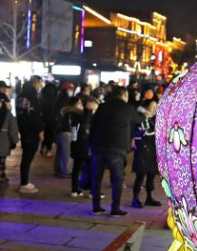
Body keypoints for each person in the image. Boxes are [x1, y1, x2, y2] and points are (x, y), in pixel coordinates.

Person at [90, 86, 141, 216]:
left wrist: (90, 144)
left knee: (96, 177)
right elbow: (138, 120)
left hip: (98, 146)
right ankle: (115, 208)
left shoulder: (102, 106)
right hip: (117, 147)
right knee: (117, 178)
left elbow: (93, 124)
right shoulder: (127, 108)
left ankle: (96, 206)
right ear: (123, 95)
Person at [16, 76, 44, 194]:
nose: (40, 85)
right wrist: (40, 131)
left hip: (23, 130)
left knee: (26, 157)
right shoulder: (32, 96)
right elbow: (35, 116)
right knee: (28, 157)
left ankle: (24, 181)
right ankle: (24, 183)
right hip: (31, 132)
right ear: (35, 83)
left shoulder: (21, 96)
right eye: (39, 83)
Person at [131, 100, 161, 208]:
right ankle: (135, 198)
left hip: (153, 149)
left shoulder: (156, 117)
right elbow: (143, 132)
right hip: (143, 149)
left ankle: (149, 197)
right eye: (152, 106)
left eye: (156, 106)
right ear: (147, 106)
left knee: (151, 175)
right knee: (140, 175)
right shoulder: (141, 117)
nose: (155, 108)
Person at [55, 97, 81, 180]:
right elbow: (73, 126)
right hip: (67, 134)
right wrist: (74, 138)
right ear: (75, 103)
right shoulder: (74, 112)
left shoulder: (63, 111)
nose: (80, 104)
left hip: (59, 133)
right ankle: (66, 172)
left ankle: (58, 170)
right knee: (67, 154)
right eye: (79, 103)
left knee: (60, 153)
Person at [39, 82, 58, 158]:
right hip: (52, 120)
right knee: (50, 135)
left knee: (44, 134)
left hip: (43, 119)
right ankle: (48, 149)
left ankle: (42, 146)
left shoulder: (41, 98)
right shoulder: (55, 99)